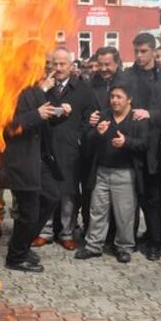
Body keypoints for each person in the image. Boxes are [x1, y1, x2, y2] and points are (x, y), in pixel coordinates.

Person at [1, 45, 60, 272]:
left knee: (52, 196)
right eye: (42, 63)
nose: (47, 67)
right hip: (20, 160)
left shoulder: (36, 87)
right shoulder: (8, 88)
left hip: (38, 158)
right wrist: (36, 115)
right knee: (29, 211)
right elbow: (7, 127)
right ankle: (16, 257)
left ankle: (22, 245)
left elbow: (45, 114)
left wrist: (59, 113)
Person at [76, 83, 148, 263]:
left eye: (119, 97)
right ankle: (94, 245)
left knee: (125, 213)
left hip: (125, 173)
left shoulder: (137, 118)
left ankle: (124, 247)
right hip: (101, 171)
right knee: (97, 210)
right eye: (112, 96)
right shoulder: (104, 116)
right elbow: (87, 142)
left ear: (129, 99)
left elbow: (145, 144)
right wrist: (97, 134)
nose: (114, 100)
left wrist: (127, 142)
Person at [35, 47, 96, 250]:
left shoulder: (83, 88)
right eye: (55, 64)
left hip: (71, 149)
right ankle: (45, 231)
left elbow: (91, 116)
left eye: (63, 64)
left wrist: (80, 137)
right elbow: (32, 110)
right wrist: (43, 90)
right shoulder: (43, 86)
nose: (59, 68)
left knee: (69, 193)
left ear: (71, 66)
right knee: (46, 191)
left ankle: (67, 232)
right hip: (46, 147)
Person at [121, 33, 161, 261]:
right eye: (136, 51)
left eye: (143, 51)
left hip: (154, 147)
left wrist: (151, 114)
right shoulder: (126, 77)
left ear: (153, 50)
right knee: (130, 197)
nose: (139, 56)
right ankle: (126, 240)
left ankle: (155, 241)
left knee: (152, 197)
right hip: (128, 145)